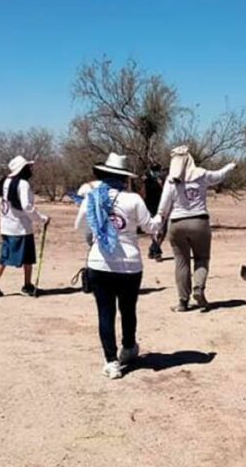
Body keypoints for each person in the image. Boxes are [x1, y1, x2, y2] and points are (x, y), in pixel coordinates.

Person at [75, 153, 162, 379]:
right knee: (128, 308)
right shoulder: (133, 200)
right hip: (130, 264)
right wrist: (161, 217)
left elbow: (79, 226)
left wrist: (95, 231)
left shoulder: (92, 198)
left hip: (100, 262)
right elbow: (151, 226)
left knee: (105, 312)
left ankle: (111, 361)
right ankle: (129, 347)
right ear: (124, 178)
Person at [157, 146, 236, 312]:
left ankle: (182, 302)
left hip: (176, 224)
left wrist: (158, 224)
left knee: (181, 262)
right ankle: (199, 288)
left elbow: (163, 207)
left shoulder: (171, 180)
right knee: (201, 258)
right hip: (199, 221)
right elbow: (219, 175)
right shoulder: (201, 174)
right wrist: (230, 166)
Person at [0, 156, 49, 298]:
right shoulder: (22, 184)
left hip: (6, 226)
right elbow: (27, 206)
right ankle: (27, 285)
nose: (30, 170)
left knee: (4, 256)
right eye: (28, 167)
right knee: (27, 257)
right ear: (22, 169)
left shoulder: (4, 182)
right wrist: (42, 219)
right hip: (21, 227)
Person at [143, 163, 166, 261]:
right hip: (150, 207)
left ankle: (153, 249)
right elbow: (144, 193)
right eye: (155, 170)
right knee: (154, 230)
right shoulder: (147, 180)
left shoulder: (163, 180)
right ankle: (157, 252)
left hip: (161, 207)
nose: (157, 172)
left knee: (163, 230)